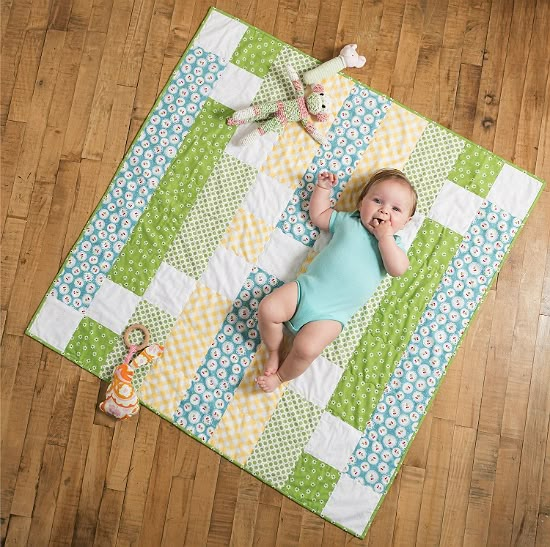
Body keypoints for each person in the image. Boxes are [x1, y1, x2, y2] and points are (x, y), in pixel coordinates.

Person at [255, 168, 417, 392]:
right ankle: (274, 350)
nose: (384, 211)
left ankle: (280, 376)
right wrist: (322, 189)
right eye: (377, 200)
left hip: (330, 316)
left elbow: (398, 269)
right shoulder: (349, 222)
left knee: (306, 349)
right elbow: (319, 214)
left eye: (396, 209)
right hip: (305, 290)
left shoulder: (393, 246)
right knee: (268, 308)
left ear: (406, 222)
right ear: (361, 203)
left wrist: (385, 238)